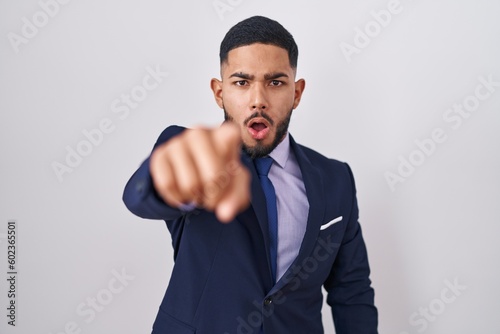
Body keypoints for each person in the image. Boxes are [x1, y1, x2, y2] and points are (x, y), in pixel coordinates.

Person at [123, 15, 378, 334]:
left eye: (275, 82)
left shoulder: (336, 179)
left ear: (296, 93)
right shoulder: (190, 150)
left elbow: (351, 292)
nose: (258, 100)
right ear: (219, 92)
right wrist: (170, 178)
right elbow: (140, 195)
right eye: (242, 82)